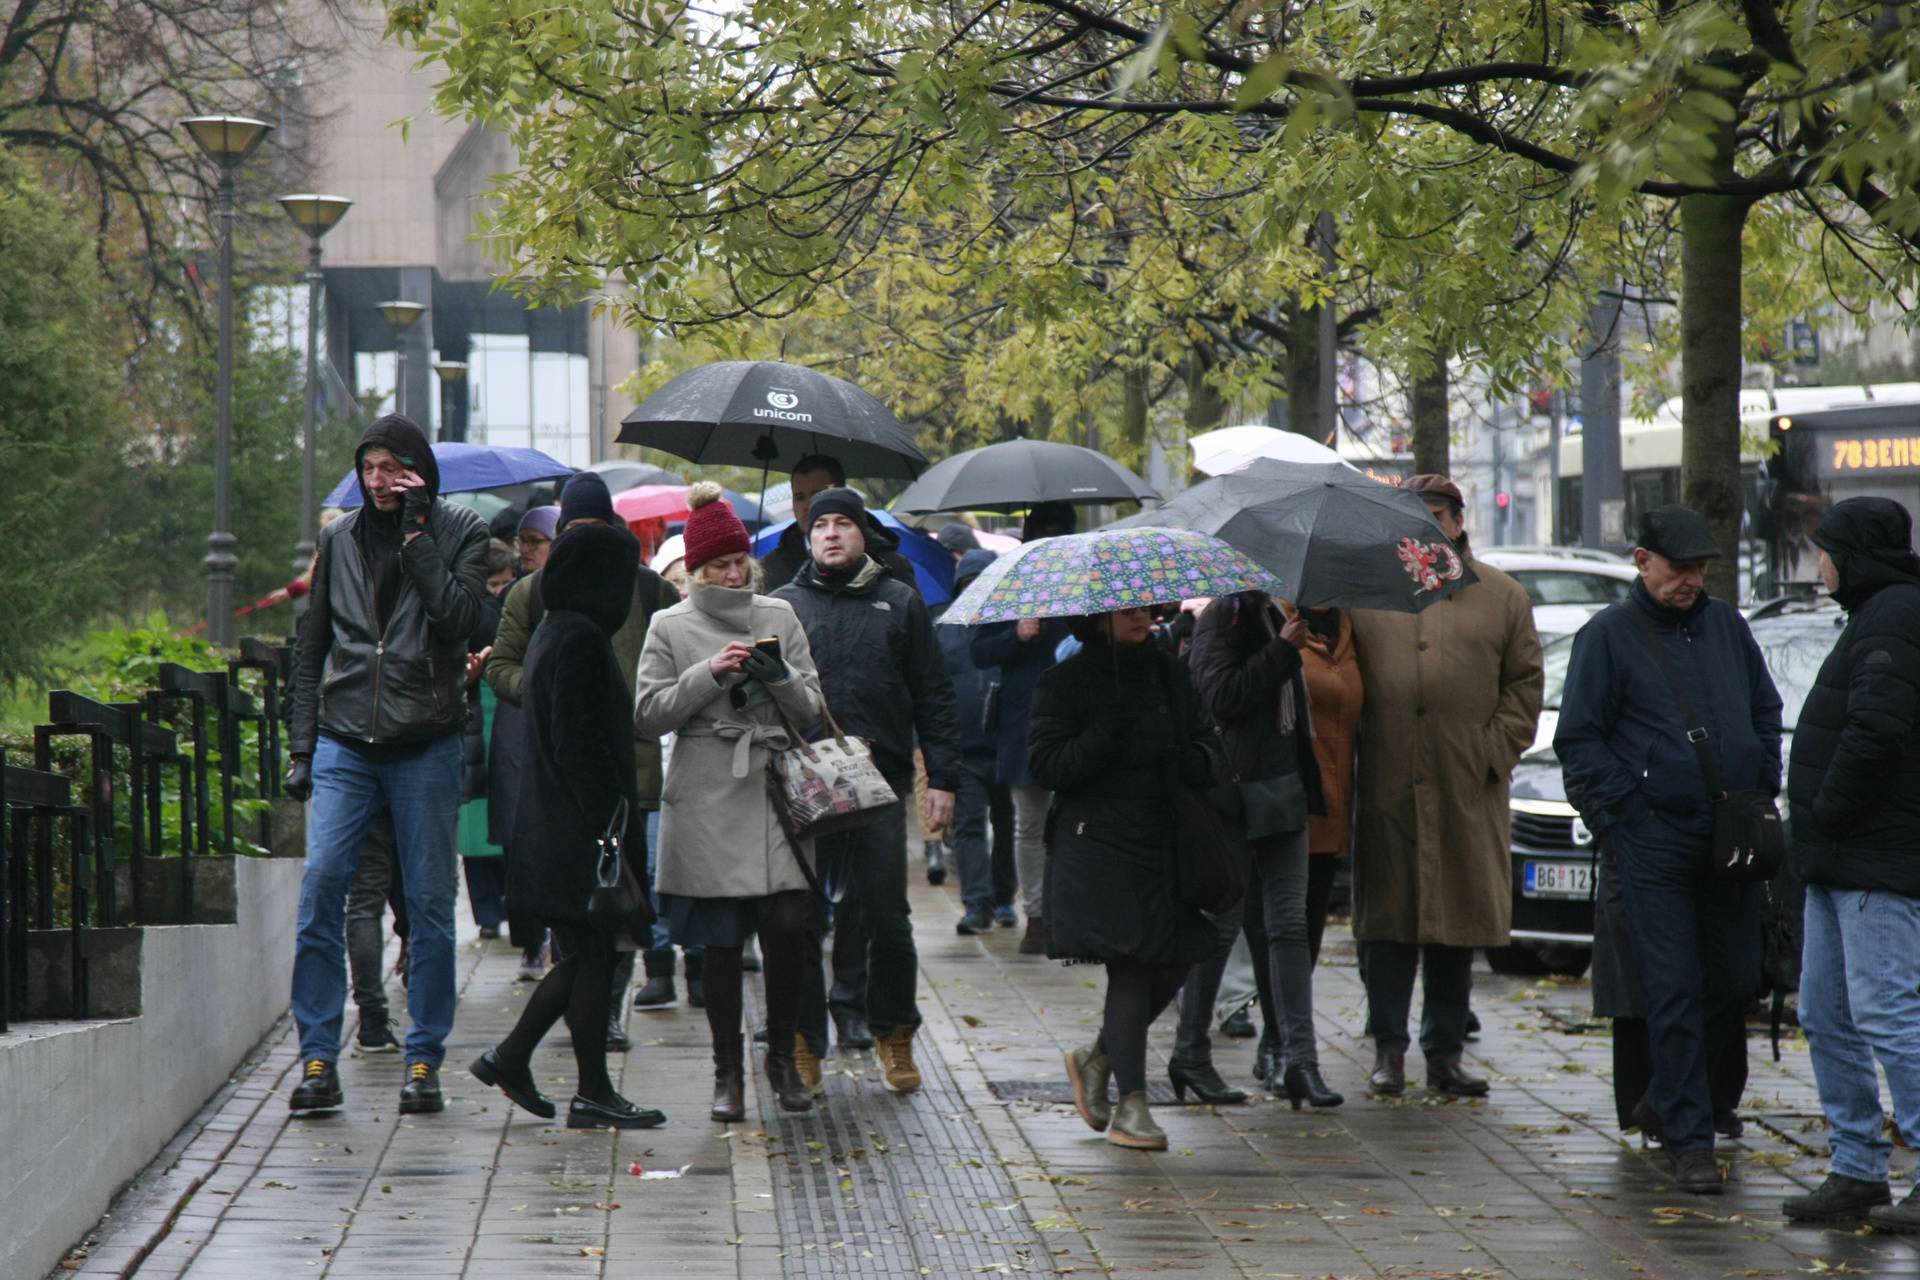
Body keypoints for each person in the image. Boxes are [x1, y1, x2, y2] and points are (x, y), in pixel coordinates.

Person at [1556, 504, 1781, 1195]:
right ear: (1640, 561)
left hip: (1727, 834)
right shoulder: (1608, 637)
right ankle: (1689, 1138)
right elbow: (1579, 740)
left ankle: (1670, 1100)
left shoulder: (1727, 628)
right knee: (1673, 988)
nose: (1691, 580)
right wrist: (1627, 816)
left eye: (1700, 569)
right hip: (1653, 839)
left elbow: (1764, 711)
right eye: (1678, 568)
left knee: (1734, 978)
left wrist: (1758, 776)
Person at [283, 414, 489, 1116]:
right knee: (322, 889)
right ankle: (317, 1055)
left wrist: (419, 538)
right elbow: (311, 651)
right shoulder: (337, 538)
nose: (378, 482)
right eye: (369, 468)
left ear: (418, 473)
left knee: (431, 906)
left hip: (426, 742)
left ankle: (424, 1058)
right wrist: (302, 748)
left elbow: (462, 621)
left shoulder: (462, 532)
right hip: (346, 742)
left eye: (392, 469)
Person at [1349, 474, 1542, 1104]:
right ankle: (1388, 1052)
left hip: (1466, 785)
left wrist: (1489, 753)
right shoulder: (1368, 594)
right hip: (1386, 785)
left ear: (1459, 522)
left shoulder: (1502, 596)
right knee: (1387, 924)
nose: (1427, 527)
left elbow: (1525, 686)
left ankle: (1445, 1054)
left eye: (1437, 515)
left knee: (1457, 925)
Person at [470, 521, 666, 1130]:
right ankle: (569, 1081)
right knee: (593, 955)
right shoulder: (578, 639)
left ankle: (532, 1065)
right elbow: (581, 745)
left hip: (558, 829)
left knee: (585, 956)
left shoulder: (557, 631)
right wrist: (608, 819)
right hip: (579, 833)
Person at [637, 482, 824, 1120]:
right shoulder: (668, 623)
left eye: (739, 560)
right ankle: (727, 1072)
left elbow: (814, 710)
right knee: (717, 943)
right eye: (719, 564)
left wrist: (778, 675)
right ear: (695, 570)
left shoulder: (779, 616)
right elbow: (648, 715)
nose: (733, 572)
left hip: (775, 788)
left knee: (789, 927)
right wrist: (708, 673)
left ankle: (781, 1060)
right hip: (707, 791)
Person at [774, 485, 961, 1094]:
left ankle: (894, 1034)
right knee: (797, 919)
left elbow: (934, 696)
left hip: (880, 784)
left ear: (862, 534)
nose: (831, 533)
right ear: (808, 536)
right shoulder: (781, 606)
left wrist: (944, 780)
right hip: (801, 786)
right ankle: (802, 1042)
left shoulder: (898, 602)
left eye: (843, 524)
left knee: (888, 918)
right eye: (820, 524)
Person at [487, 475, 680, 1045]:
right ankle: (553, 1045)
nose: (587, 543)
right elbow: (503, 668)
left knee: (621, 904)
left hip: (638, 773)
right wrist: (551, 693)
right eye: (575, 531)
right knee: (585, 917)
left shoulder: (644, 589)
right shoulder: (538, 597)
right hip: (575, 786)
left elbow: (681, 650)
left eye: (597, 530)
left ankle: (596, 1025)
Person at [1778, 498, 1920, 1227]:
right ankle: (1857, 1168)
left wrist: (1826, 809)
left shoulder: (1896, 615)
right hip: (1838, 860)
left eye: (1825, 550)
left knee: (1887, 1012)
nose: (1818, 563)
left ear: (1853, 554)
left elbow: (1878, 729)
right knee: (1827, 1013)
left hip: (1874, 857)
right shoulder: (1874, 616)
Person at [1034, 606, 1219, 1149]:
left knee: (1184, 950)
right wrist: (1108, 729)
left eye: (1146, 608)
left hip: (1165, 837)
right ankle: (1132, 1105)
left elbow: (1205, 739)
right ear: (1096, 619)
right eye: (1128, 610)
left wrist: (1195, 759)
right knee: (1133, 963)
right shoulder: (1064, 681)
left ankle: (1099, 1058)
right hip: (1097, 843)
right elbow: (1048, 765)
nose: (1143, 618)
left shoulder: (1168, 670)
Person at [1186, 592, 1339, 1110]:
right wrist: (1281, 651)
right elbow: (1220, 697)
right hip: (1236, 795)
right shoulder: (1223, 617)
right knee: (1223, 925)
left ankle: (1302, 1062)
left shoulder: (1280, 616)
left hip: (1282, 794)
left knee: (1289, 929)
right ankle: (1189, 1052)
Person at [970, 502, 1076, 954]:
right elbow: (979, 651)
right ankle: (1036, 914)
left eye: (1058, 532)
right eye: (1041, 532)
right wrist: (1018, 635)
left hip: (1078, 721)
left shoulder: (1084, 580)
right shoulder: (1006, 580)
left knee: (1072, 824)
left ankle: (1067, 910)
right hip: (1025, 724)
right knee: (1028, 824)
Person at [938, 548, 1002, 934]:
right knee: (969, 827)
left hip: (1005, 745)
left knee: (1010, 827)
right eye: (967, 583)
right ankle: (977, 904)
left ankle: (1006, 897)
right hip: (962, 747)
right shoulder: (943, 628)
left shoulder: (1010, 623)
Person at [457, 537, 517, 940]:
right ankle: (487, 913)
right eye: (490, 583)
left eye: (503, 583)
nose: (498, 591)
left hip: (505, 713)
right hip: (472, 715)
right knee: (474, 825)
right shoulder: (464, 608)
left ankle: (511, 904)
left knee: (509, 813)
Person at [757, 454, 919, 592]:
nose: (807, 506)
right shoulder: (771, 569)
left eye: (817, 495)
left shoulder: (890, 564)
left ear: (841, 493)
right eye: (799, 497)